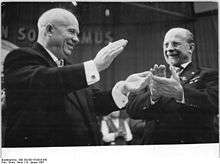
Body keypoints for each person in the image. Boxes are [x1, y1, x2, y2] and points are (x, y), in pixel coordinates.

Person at [3, 8, 149, 147]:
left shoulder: (68, 69)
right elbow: (45, 81)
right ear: (49, 30)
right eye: (71, 32)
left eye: (77, 34)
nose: (77, 39)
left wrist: (123, 88)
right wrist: (95, 66)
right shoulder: (20, 58)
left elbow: (92, 101)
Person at [127, 27, 218, 144]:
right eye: (166, 45)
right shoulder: (154, 77)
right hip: (154, 149)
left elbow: (216, 102)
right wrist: (153, 96)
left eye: (175, 44)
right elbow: (131, 110)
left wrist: (182, 94)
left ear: (190, 47)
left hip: (190, 148)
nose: (169, 49)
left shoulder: (208, 74)